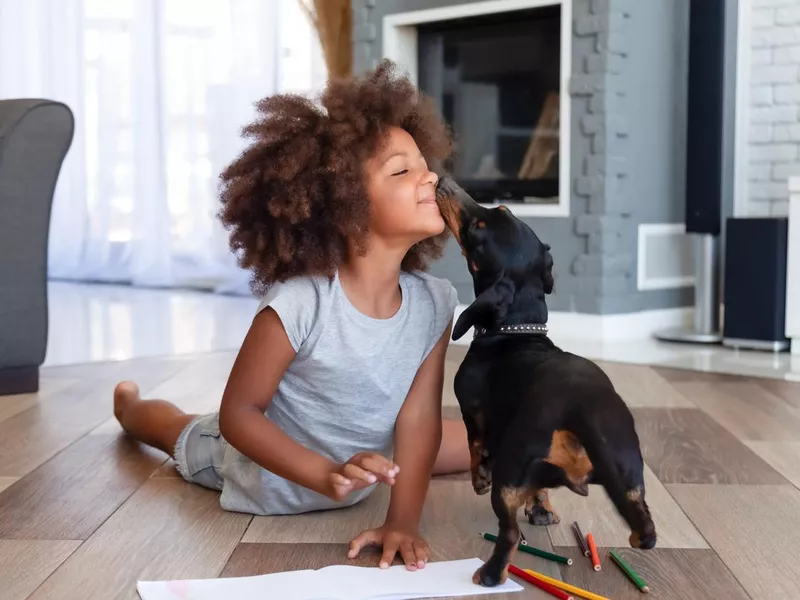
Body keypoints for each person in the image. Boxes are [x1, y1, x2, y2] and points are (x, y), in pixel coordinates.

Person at [113, 59, 470, 572]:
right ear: (344, 206)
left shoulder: (434, 301)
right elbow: (239, 414)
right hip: (257, 473)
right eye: (402, 169)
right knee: (175, 428)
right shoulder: (302, 301)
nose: (430, 176)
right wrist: (323, 472)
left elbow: (417, 421)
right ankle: (129, 404)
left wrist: (403, 523)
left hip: (360, 464)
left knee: (465, 439)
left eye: (424, 163)